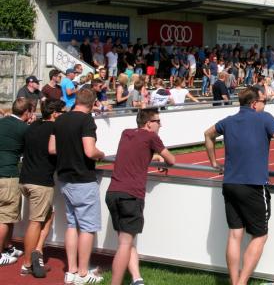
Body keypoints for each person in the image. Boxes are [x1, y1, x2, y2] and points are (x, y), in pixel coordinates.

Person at [203, 87, 274, 285]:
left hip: (230, 183)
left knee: (234, 235)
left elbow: (208, 134)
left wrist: (214, 163)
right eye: (263, 101)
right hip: (254, 186)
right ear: (254, 103)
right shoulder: (264, 118)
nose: (265, 105)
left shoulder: (229, 121)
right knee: (260, 235)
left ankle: (234, 282)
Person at [106, 108, 175, 285]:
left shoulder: (126, 133)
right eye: (158, 121)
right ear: (148, 123)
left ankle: (136, 278)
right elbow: (172, 160)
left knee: (126, 240)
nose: (161, 124)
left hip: (113, 192)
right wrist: (160, 155)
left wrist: (155, 155)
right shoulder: (151, 137)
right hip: (131, 195)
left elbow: (135, 151)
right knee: (124, 244)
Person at [49, 88, 106, 284]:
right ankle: (82, 273)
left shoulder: (60, 119)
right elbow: (90, 151)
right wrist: (102, 154)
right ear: (91, 104)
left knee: (72, 225)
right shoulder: (86, 120)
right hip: (83, 178)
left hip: (65, 179)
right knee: (88, 228)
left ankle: (71, 270)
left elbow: (52, 148)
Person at [19, 100, 66, 277]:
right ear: (54, 113)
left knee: (48, 216)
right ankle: (27, 264)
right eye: (62, 112)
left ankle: (37, 253)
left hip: (26, 179)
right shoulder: (55, 131)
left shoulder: (33, 127)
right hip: (40, 182)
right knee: (35, 221)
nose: (64, 115)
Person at [0, 98, 34, 266]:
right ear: (27, 112)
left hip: (4, 172)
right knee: (6, 216)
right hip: (9, 175)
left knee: (8, 215)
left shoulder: (2, 122)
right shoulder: (24, 128)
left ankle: (7, 247)